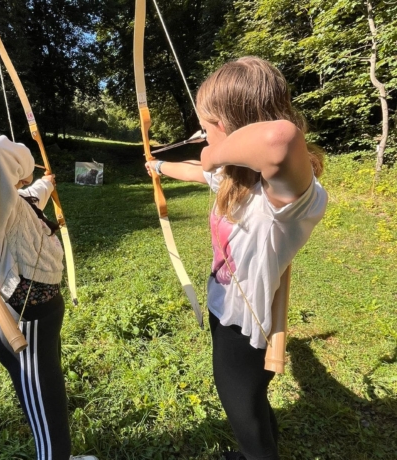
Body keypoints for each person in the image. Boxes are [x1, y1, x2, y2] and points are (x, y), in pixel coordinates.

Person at [146, 57, 328, 460]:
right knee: (253, 402)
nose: (204, 136)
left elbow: (279, 138)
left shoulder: (286, 195)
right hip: (224, 309)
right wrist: (158, 165)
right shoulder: (238, 178)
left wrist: (214, 152)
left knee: (242, 408)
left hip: (247, 326)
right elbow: (199, 172)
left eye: (207, 124)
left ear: (229, 124)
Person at [0, 131, 97, 460]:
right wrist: (24, 167)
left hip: (39, 318)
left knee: (45, 402)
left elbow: (31, 198)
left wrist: (44, 182)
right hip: (27, 323)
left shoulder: (5, 204)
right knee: (48, 406)